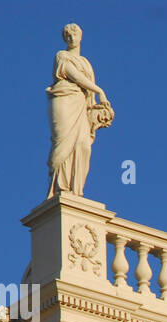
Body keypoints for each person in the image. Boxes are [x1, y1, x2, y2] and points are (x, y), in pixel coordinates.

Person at [46, 24, 112, 198]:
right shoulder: (61, 56)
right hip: (65, 99)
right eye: (67, 35)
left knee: (83, 145)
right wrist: (99, 91)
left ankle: (76, 190)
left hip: (81, 105)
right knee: (63, 143)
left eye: (74, 34)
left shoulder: (86, 63)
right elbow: (73, 74)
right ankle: (60, 187)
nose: (71, 37)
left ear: (81, 36)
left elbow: (87, 91)